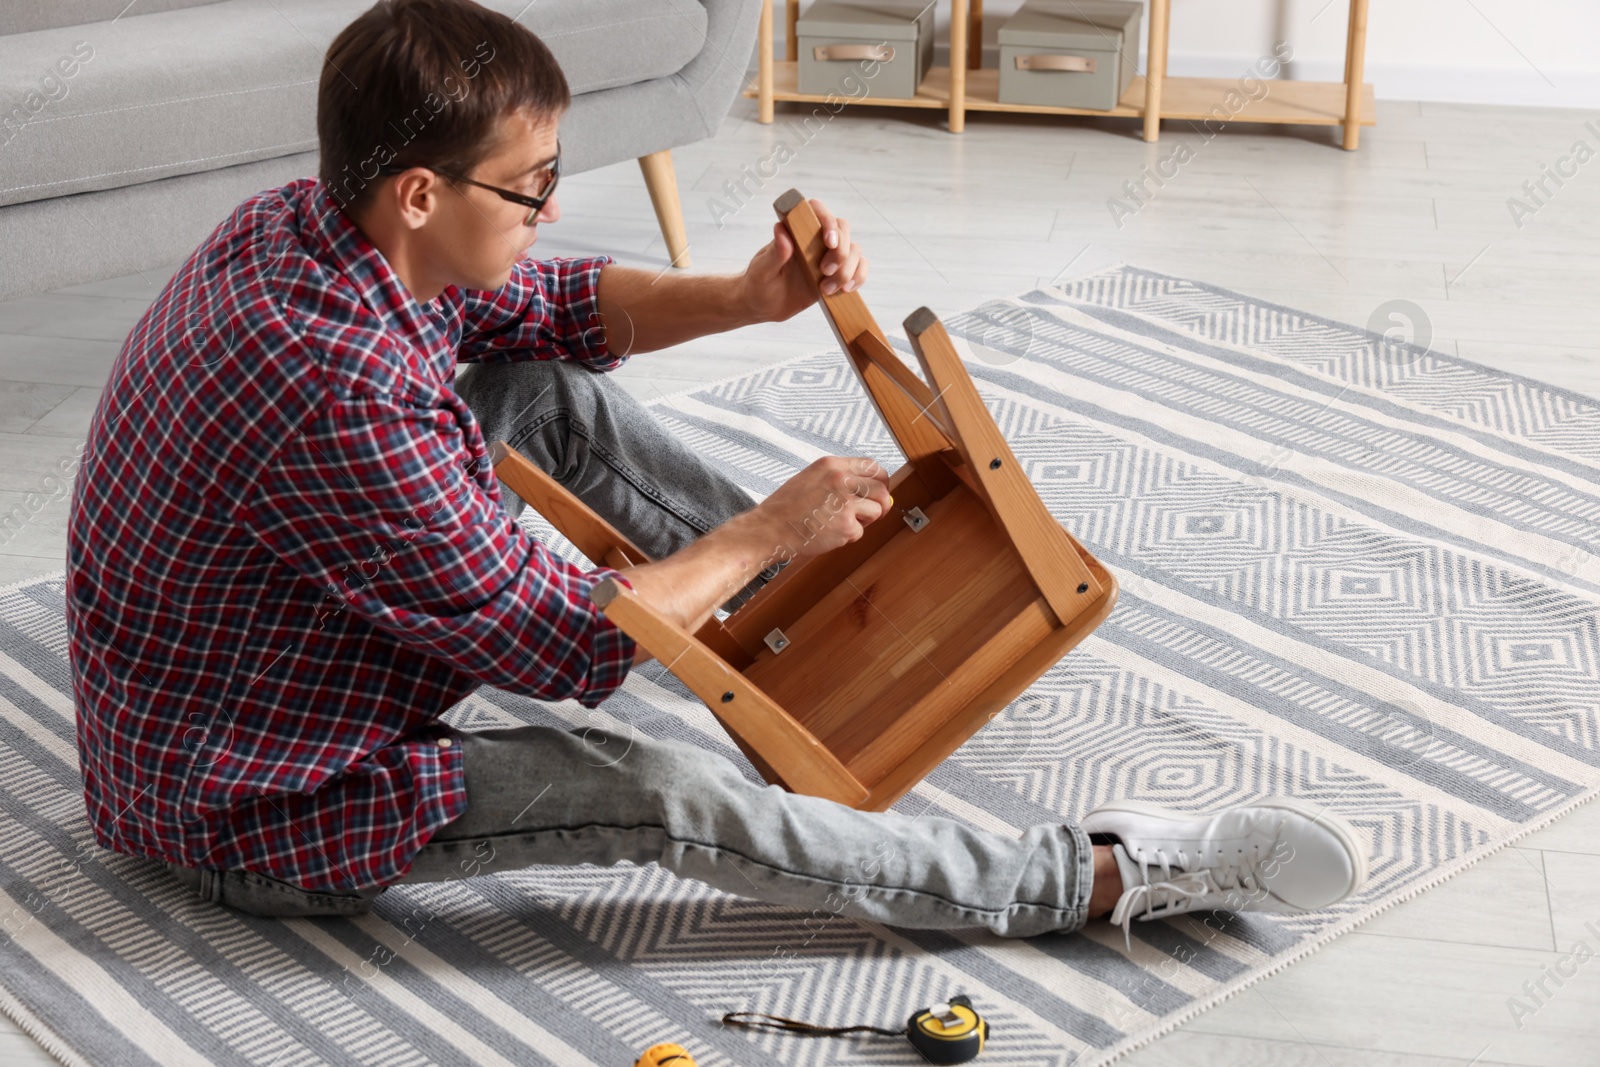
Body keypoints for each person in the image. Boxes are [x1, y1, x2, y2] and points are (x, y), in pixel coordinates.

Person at [66, 0, 1367, 944]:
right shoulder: (339, 394)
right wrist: (763, 534)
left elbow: (541, 306)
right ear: (417, 193)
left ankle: (801, 645)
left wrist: (749, 297)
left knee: (548, 398)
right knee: (653, 788)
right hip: (254, 801)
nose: (550, 210)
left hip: (217, 675)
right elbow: (573, 645)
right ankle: (1084, 878)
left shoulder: (306, 224)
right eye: (531, 188)